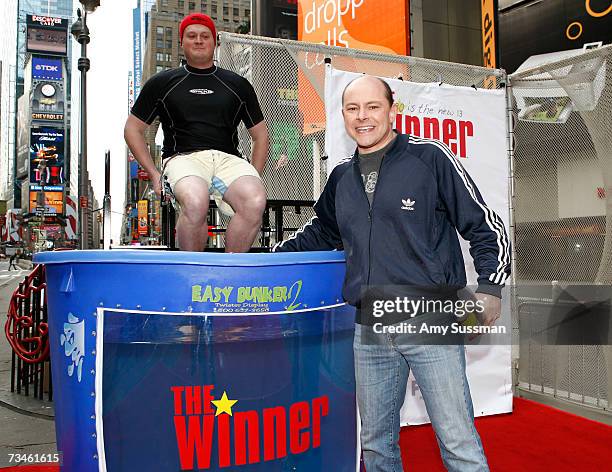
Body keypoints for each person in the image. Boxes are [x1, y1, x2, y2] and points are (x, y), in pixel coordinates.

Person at [273, 75, 511, 471]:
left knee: (457, 441)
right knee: (376, 444)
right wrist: (266, 259)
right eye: (352, 109)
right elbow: (321, 233)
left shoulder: (430, 158)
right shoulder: (340, 177)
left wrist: (490, 287)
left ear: (391, 109)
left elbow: (485, 225)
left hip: (430, 316)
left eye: (372, 107)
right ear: (344, 115)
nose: (362, 117)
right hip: (371, 323)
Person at [124, 13, 269, 252]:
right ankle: (193, 274)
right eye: (192, 36)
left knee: (255, 199)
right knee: (195, 201)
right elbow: (133, 129)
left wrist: (254, 174)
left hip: (228, 160)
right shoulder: (161, 83)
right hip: (183, 158)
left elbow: (261, 135)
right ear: (182, 42)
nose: (199, 40)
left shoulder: (238, 84)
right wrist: (153, 173)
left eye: (205, 36)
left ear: (215, 42)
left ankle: (229, 271)